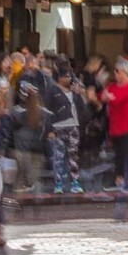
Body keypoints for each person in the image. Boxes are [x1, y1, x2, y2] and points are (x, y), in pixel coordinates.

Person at [42, 61, 85, 195]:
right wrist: (49, 129)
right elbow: (47, 111)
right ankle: (58, 183)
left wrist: (78, 94)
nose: (69, 79)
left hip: (73, 125)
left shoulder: (74, 91)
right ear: (59, 77)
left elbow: (81, 108)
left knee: (73, 155)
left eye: (70, 76)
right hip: (58, 126)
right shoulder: (52, 90)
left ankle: (75, 182)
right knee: (58, 156)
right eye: (66, 76)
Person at [102, 62, 128, 195]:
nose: (116, 74)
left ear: (125, 72)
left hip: (127, 125)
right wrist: (108, 96)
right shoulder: (113, 86)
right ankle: (119, 179)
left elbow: (116, 100)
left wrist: (109, 97)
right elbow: (103, 95)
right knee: (118, 154)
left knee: (127, 153)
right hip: (116, 124)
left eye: (118, 71)